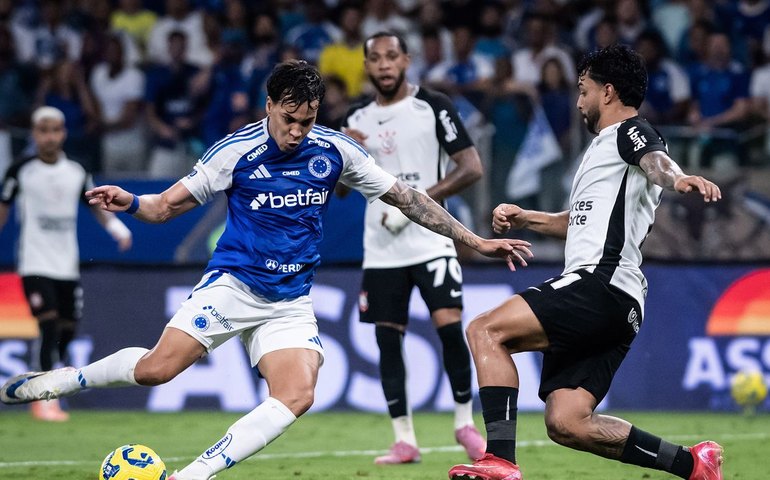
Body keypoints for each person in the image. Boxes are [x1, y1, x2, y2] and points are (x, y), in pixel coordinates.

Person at [0, 61, 531, 480]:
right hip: (232, 285)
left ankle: (193, 475)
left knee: (299, 394)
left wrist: (472, 239)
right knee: (158, 369)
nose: (299, 132)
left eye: (309, 120)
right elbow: (166, 206)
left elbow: (408, 198)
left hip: (290, 300)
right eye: (289, 119)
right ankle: (66, 381)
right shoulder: (235, 152)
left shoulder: (335, 151)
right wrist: (132, 202)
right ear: (269, 105)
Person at [448, 44, 724, 480]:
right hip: (623, 302)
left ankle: (499, 460)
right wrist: (526, 218)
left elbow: (657, 161)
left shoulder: (629, 133)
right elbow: (578, 222)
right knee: (567, 422)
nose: (578, 101)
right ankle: (693, 465)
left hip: (600, 284)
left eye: (583, 90)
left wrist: (679, 178)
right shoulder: (602, 153)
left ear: (608, 91)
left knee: (485, 330)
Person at [342, 31, 486, 465]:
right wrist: (346, 153)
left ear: (406, 59)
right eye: (376, 58)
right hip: (382, 248)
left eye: (391, 56)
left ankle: (465, 423)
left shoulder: (435, 105)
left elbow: (471, 167)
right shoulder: (356, 118)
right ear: (366, 66)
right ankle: (404, 439)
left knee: (449, 329)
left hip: (432, 241)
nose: (384, 65)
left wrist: (416, 200)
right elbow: (341, 192)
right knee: (388, 343)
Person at [0, 106, 132, 422]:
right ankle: (44, 399)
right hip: (34, 262)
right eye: (42, 130)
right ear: (34, 133)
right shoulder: (21, 170)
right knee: (48, 325)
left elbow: (96, 206)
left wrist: (117, 228)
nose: (49, 136)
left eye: (55, 130)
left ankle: (48, 382)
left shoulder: (76, 171)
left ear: (63, 133)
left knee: (67, 330)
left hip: (66, 265)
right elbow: (3, 208)